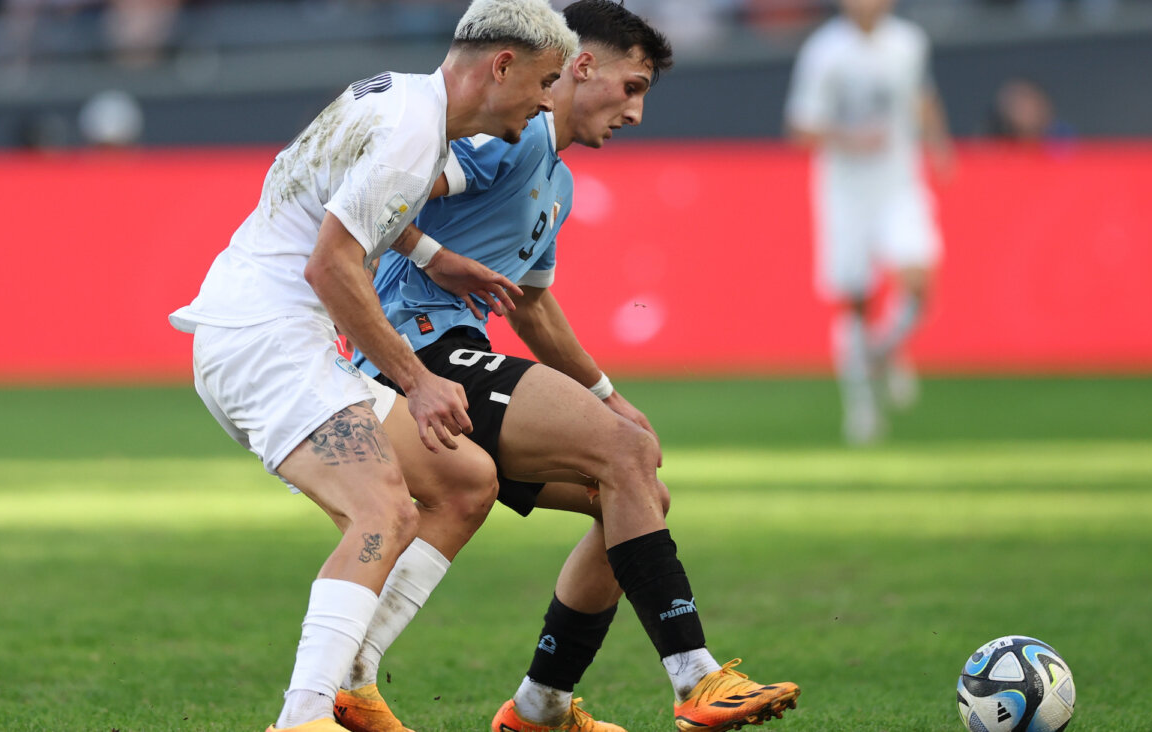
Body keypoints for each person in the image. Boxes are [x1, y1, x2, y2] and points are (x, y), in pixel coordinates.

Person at [345, 3, 800, 731]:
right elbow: (374, 194)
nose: (638, 112)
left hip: (457, 351)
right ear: (582, 66)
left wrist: (606, 395)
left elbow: (531, 308)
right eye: (633, 86)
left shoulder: (556, 183)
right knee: (624, 457)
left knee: (632, 489)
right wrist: (436, 259)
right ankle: (696, 679)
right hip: (415, 351)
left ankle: (539, 707)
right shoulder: (506, 137)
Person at [167, 2, 579, 731]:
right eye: (545, 81)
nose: (548, 101)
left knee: (464, 481)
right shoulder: (412, 134)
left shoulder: (397, 96)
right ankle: (303, 717)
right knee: (382, 510)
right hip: (265, 340)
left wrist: (434, 257)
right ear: (502, 66)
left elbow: (345, 204)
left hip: (262, 334)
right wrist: (418, 381)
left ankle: (351, 683)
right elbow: (332, 266)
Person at [784, 0, 954, 445]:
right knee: (856, 298)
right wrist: (849, 138)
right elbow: (800, 127)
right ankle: (861, 405)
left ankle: (885, 348)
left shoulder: (908, 43)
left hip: (899, 182)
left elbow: (922, 94)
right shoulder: (824, 53)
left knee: (919, 279)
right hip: (846, 193)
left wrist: (938, 143)